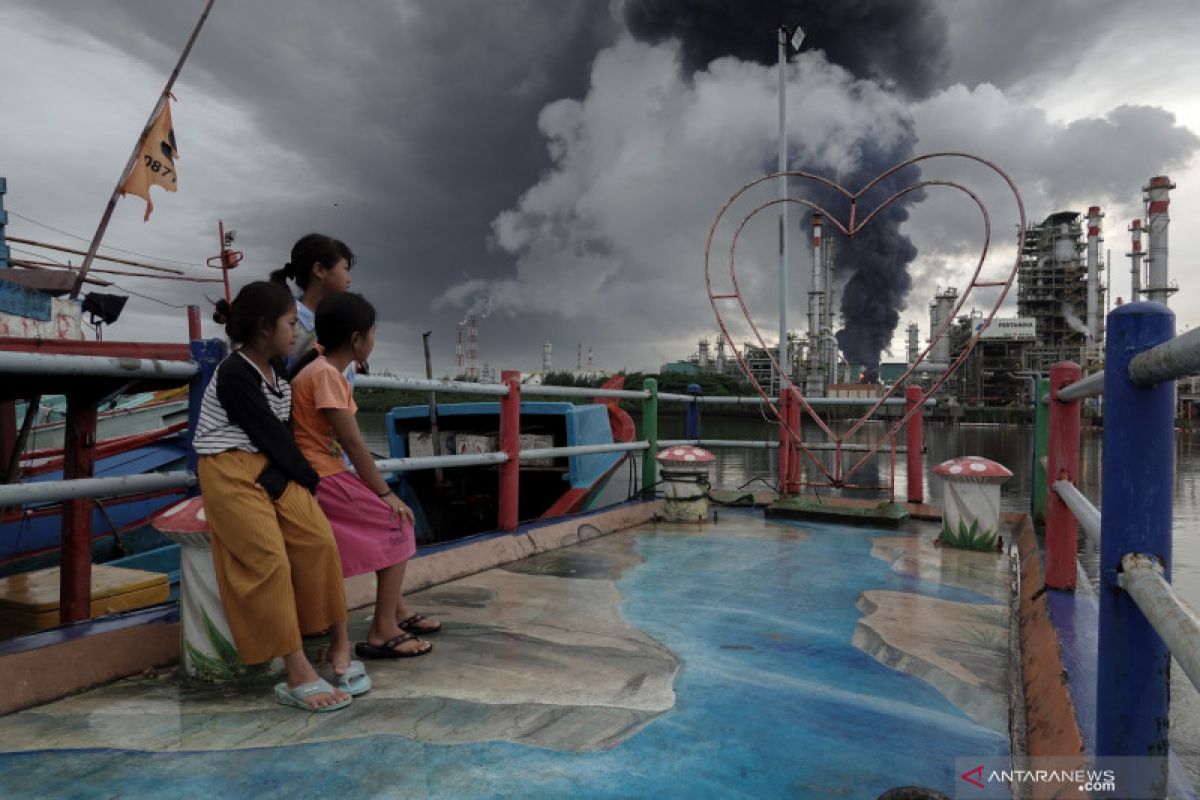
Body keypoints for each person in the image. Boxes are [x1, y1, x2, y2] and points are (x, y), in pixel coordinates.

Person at [193, 280, 368, 712]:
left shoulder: (279, 379)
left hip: (267, 466)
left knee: (318, 541)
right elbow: (267, 432)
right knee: (267, 558)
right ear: (263, 328)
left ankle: (338, 641)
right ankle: (296, 671)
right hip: (227, 468)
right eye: (290, 323)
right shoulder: (236, 372)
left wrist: (281, 479)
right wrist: (305, 478)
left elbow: (277, 437)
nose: (295, 331)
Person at [290, 292, 441, 659]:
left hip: (317, 472)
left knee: (390, 526)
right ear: (356, 339)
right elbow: (354, 444)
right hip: (321, 475)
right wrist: (386, 495)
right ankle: (382, 629)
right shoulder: (326, 375)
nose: (374, 342)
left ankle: (396, 611)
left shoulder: (325, 371)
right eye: (373, 334)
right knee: (399, 523)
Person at [270, 233, 355, 372]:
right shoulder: (288, 323)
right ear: (319, 270)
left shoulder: (337, 324)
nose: (349, 279)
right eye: (345, 269)